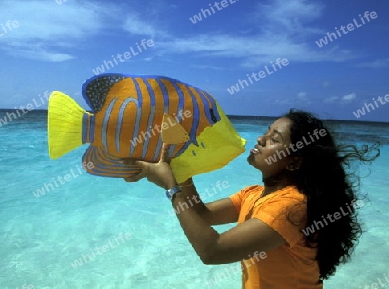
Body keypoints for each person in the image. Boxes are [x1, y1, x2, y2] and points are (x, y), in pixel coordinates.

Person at [123, 109, 380, 288]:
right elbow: (202, 215)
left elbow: (213, 251)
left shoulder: (292, 206)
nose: (260, 139)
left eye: (273, 139)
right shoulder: (254, 194)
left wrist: (171, 186)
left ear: (294, 162)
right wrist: (181, 169)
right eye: (266, 132)